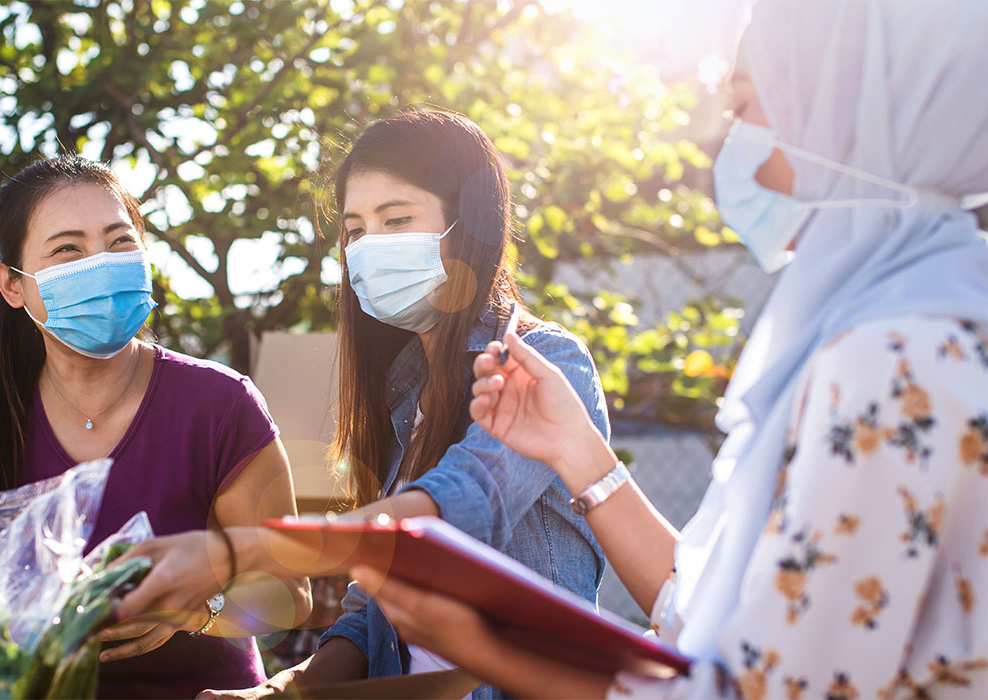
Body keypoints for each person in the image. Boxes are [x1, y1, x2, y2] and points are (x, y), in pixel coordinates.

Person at [349, 1, 988, 698]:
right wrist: (580, 453)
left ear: (847, 117)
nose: (730, 144)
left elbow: (754, 690)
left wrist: (488, 646)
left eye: (747, 107)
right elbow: (706, 613)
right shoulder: (915, 325)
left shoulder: (892, 359)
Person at [113, 110, 610, 700]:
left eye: (397, 219)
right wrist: (279, 692)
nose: (370, 248)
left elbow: (452, 511)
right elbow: (368, 611)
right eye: (355, 231)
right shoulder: (402, 392)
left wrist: (240, 550)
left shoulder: (547, 362)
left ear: (469, 227)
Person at [0, 155, 313, 698]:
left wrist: (194, 612)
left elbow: (291, 592)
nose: (100, 264)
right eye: (67, 250)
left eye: (120, 242)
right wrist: (28, 626)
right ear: (12, 285)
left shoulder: (220, 404)